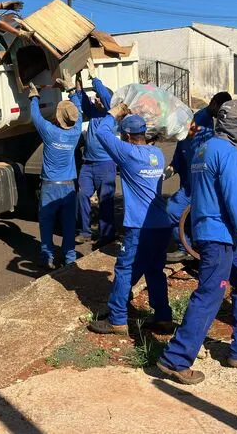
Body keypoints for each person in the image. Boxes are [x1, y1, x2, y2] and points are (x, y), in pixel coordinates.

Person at [157, 100, 237, 385]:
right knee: (209, 295)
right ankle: (175, 359)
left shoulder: (203, 149)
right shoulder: (230, 156)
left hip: (212, 233)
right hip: (220, 237)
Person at [87, 106, 174, 336]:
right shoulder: (157, 155)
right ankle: (163, 317)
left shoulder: (128, 153)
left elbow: (102, 134)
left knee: (125, 269)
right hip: (162, 223)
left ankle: (117, 319)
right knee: (155, 270)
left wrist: (113, 112)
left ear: (126, 136)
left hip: (140, 226)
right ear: (143, 133)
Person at [164, 92, 232, 258]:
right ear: (214, 102)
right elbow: (185, 146)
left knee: (195, 217)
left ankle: (194, 247)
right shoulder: (202, 125)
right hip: (193, 184)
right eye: (221, 109)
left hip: (198, 182)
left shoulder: (205, 121)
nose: (222, 114)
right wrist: (174, 165)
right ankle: (185, 247)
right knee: (173, 210)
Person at [28, 69, 83, 269]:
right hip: (69, 186)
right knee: (68, 225)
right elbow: (79, 113)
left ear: (58, 119)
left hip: (50, 187)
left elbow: (36, 117)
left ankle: (48, 256)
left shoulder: (50, 133)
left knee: (47, 223)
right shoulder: (75, 133)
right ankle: (69, 258)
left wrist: (34, 96)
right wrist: (72, 90)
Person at [76, 59, 116, 248]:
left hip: (106, 164)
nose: (96, 100)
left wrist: (95, 79)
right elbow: (83, 99)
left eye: (98, 98)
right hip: (88, 164)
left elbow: (107, 98)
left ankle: (107, 235)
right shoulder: (93, 113)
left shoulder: (112, 114)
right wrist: (77, 79)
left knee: (105, 201)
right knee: (82, 195)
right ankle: (84, 232)